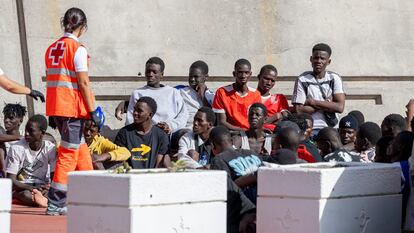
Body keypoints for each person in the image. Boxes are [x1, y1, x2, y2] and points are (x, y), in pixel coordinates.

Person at [45, 8, 102, 215]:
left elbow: (53, 80)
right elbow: (83, 83)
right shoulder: (77, 49)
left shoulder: (52, 48)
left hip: (57, 107)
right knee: (69, 154)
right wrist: (92, 110)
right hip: (70, 109)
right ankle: (56, 202)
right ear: (83, 26)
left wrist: (52, 111)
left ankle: (89, 195)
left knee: (80, 148)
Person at [122, 57, 188, 134]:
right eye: (148, 71)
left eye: (154, 72)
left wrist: (170, 126)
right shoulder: (138, 93)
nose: (150, 74)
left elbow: (183, 116)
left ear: (162, 74)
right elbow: (130, 119)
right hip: (145, 134)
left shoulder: (173, 93)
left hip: (169, 134)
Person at [292, 43, 345, 135]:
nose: (319, 61)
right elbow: (299, 110)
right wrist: (328, 102)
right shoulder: (302, 79)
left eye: (322, 59)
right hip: (309, 130)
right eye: (316, 58)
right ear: (311, 59)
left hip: (331, 129)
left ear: (328, 62)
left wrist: (312, 102)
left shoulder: (334, 78)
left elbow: (339, 107)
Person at [6, 115, 56, 208]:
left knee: (55, 193)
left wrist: (49, 189)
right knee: (26, 195)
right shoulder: (16, 148)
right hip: (22, 187)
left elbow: (54, 177)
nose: (26, 134)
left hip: (41, 186)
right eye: (26, 130)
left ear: (42, 133)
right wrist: (31, 188)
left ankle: (41, 200)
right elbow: (11, 180)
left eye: (31, 131)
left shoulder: (50, 148)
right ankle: (38, 200)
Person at [115, 97, 169, 169]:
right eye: (134, 109)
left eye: (139, 111)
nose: (135, 113)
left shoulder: (161, 135)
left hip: (152, 177)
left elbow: (159, 165)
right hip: (130, 176)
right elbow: (120, 159)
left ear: (150, 115)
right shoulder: (124, 133)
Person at [212, 59, 261, 131]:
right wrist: (242, 131)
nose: (243, 76)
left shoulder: (256, 94)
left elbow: (258, 119)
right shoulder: (222, 92)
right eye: (240, 72)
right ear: (234, 74)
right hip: (231, 133)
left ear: (250, 74)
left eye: (246, 73)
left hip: (251, 133)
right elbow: (221, 122)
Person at [179, 60, 215, 128]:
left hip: (204, 130)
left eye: (196, 76)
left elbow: (213, 118)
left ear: (206, 77)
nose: (192, 79)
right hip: (184, 129)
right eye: (190, 76)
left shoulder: (212, 96)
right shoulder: (180, 90)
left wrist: (203, 97)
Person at [256, 64, 289, 131]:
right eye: (266, 79)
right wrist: (275, 117)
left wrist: (281, 115)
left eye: (272, 80)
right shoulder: (249, 97)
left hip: (275, 134)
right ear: (259, 77)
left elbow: (286, 117)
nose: (269, 83)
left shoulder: (279, 99)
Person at [0, 104, 27, 177]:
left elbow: (49, 138)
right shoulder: (3, 138)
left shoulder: (26, 135)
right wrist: (18, 138)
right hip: (6, 175)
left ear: (20, 120)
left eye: (11, 118)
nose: (6, 120)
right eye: (5, 118)